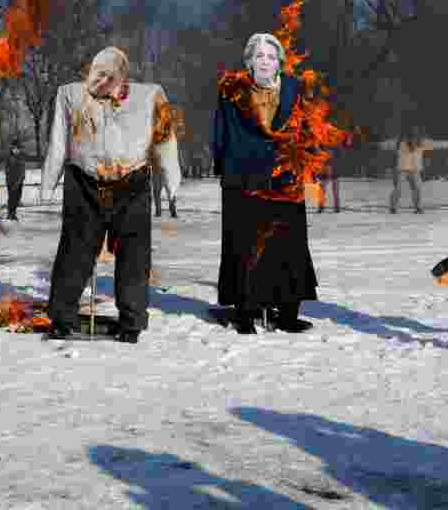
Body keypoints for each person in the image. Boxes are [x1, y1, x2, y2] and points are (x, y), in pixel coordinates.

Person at [40, 46, 181, 344]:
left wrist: (172, 180)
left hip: (132, 182)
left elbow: (165, 139)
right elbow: (58, 140)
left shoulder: (151, 96)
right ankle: (61, 317)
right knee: (75, 252)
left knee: (134, 256)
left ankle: (132, 321)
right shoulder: (71, 95)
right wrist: (49, 180)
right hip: (84, 181)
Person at [213, 32, 318, 334]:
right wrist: (224, 166)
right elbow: (221, 130)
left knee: (289, 247)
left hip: (285, 179)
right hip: (243, 178)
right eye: (258, 56)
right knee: (245, 245)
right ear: (249, 61)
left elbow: (308, 130)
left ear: (279, 62)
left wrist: (307, 165)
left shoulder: (295, 89)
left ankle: (287, 313)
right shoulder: (231, 90)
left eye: (271, 56)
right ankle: (246, 311)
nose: (265, 61)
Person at [378, 127, 448, 213]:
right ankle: (393, 207)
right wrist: (378, 145)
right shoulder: (399, 143)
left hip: (415, 170)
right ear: (407, 137)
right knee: (398, 189)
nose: (413, 141)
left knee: (417, 188)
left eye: (414, 138)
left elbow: (436, 144)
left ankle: (418, 207)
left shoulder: (422, 143)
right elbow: (385, 144)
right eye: (411, 138)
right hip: (401, 170)